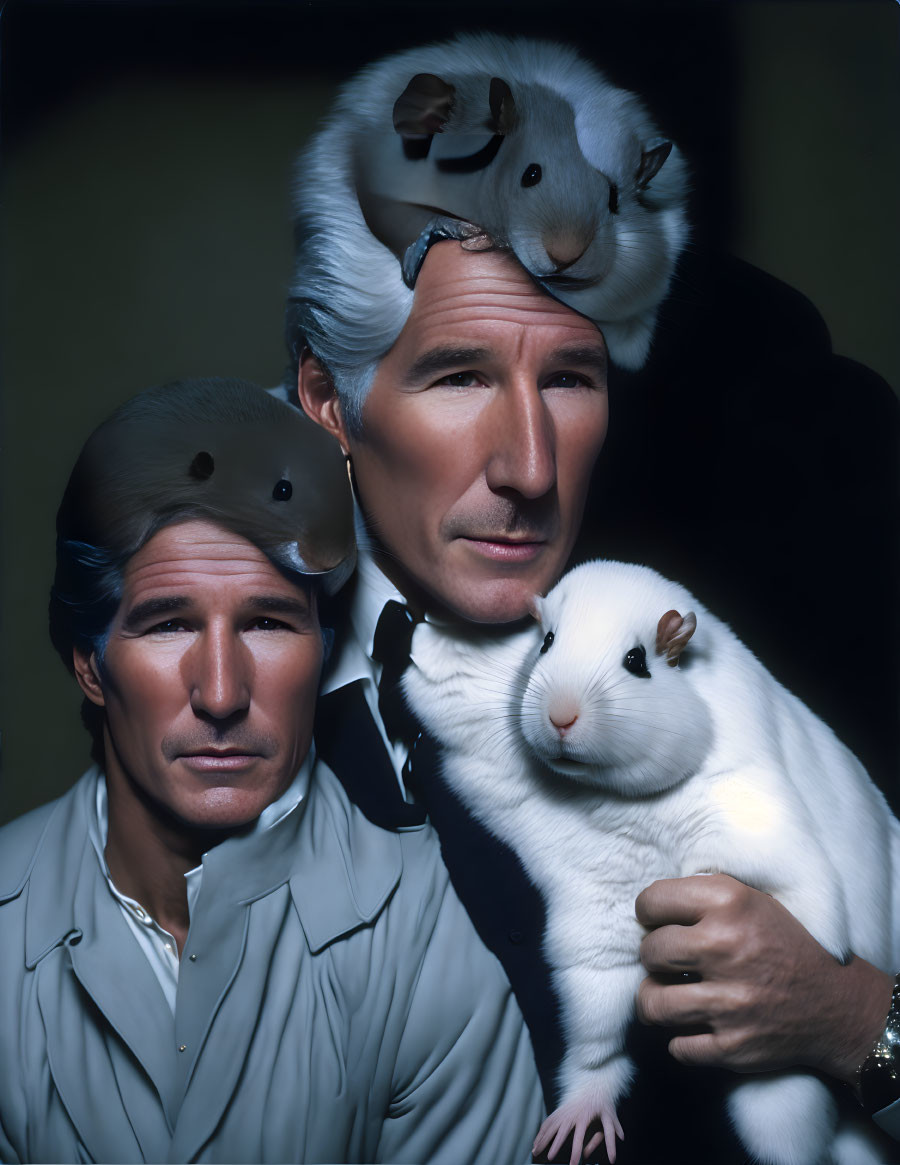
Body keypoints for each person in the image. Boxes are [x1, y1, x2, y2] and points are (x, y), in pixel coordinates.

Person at [286, 40, 900, 1160]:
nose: (529, 464)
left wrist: (858, 1018)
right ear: (332, 403)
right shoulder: (229, 726)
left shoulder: (760, 614)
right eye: (461, 375)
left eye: (569, 378)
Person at [0, 377, 544, 1164]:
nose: (220, 691)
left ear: (325, 645)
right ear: (90, 662)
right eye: (168, 623)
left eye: (266, 622)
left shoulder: (435, 928)